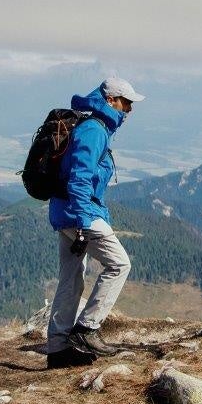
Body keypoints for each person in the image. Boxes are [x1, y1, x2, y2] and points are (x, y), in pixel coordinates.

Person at [46, 77, 144, 369]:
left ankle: (58, 349)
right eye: (126, 103)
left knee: (71, 278)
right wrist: (82, 220)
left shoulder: (93, 126)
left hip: (66, 212)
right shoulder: (94, 130)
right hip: (79, 213)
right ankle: (87, 329)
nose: (129, 110)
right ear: (111, 100)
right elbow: (79, 177)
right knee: (119, 264)